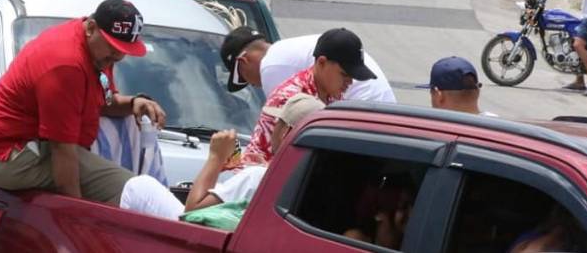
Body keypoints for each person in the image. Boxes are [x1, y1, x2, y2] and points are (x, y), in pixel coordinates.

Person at [0, 0, 167, 205]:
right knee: (130, 193)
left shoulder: (95, 49)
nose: (117, 57)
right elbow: (62, 150)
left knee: (134, 190)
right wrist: (74, 217)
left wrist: (132, 103)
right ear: (91, 28)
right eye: (112, 49)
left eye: (123, 51)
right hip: (7, 155)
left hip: (37, 146)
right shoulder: (66, 64)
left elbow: (102, 102)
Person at [118, 93, 325, 224]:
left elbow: (191, 214)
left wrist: (215, 158)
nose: (273, 128)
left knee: (139, 186)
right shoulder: (316, 186)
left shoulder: (258, 177)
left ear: (286, 132)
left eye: (278, 122)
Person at [239, 28, 377, 168]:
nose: (350, 82)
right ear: (322, 62)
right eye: (344, 74)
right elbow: (280, 160)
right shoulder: (289, 99)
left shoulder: (331, 92)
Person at [220, 27, 396, 102]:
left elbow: (284, 128)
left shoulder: (270, 67)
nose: (255, 85)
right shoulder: (287, 51)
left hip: (361, 106)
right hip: (380, 105)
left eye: (247, 80)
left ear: (243, 61)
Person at [423, 56, 496, 116]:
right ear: (478, 91)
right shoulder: (498, 127)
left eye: (431, 92)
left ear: (439, 96)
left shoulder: (434, 130)